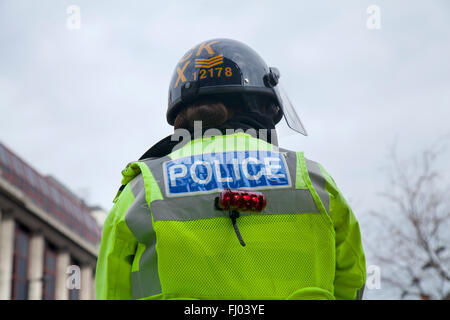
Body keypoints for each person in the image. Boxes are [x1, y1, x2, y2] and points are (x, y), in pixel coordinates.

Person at [95, 38, 366, 300]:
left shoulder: (141, 190)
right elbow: (351, 281)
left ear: (182, 117)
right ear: (260, 106)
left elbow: (112, 290)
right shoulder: (312, 181)